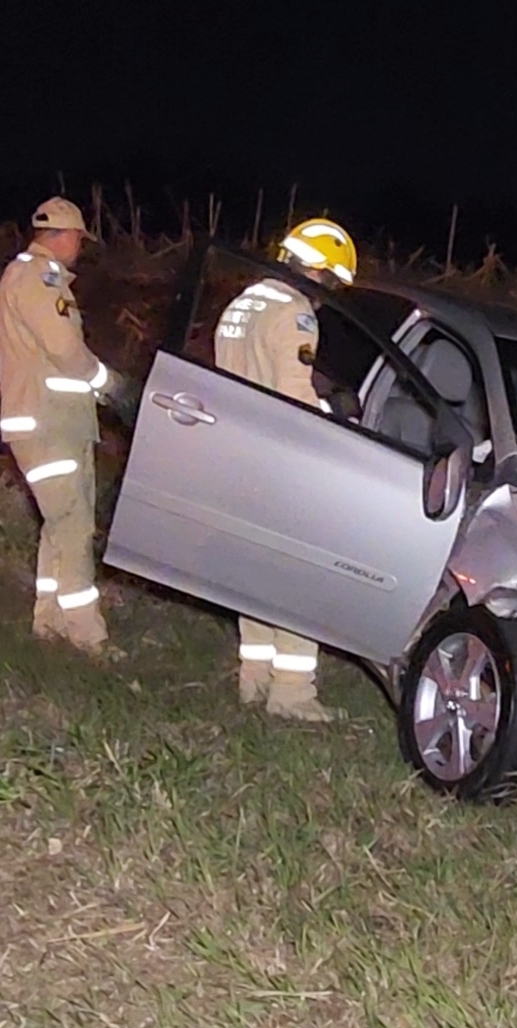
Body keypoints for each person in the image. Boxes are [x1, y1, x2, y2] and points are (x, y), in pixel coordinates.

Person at [213, 217, 359, 722]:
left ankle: (254, 681)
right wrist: (335, 415)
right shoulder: (295, 312)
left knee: (256, 573)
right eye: (332, 283)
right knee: (299, 575)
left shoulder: (243, 303)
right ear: (320, 272)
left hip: (236, 457)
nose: (328, 297)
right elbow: (293, 397)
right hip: (278, 459)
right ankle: (293, 693)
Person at [0, 196, 121, 659]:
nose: (80, 249)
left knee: (60, 525)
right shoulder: (39, 276)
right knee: (72, 527)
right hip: (48, 423)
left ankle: (48, 623)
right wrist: (107, 383)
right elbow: (63, 347)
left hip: (55, 421)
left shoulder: (29, 275)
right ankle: (86, 635)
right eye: (78, 239)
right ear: (65, 236)